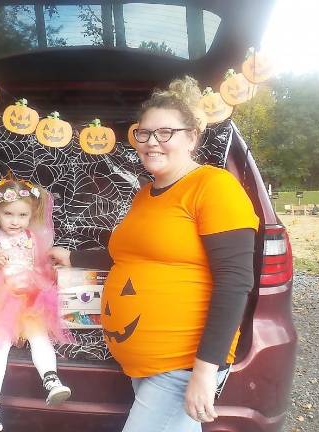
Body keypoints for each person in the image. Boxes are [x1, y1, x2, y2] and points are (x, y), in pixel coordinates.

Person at [50, 76, 259, 432]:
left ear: (192, 136)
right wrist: (73, 257)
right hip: (147, 366)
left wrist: (205, 372)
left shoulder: (214, 186)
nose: (151, 142)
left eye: (165, 133)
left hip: (182, 365)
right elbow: (128, 255)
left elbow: (235, 281)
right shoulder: (146, 194)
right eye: (143, 134)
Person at [0, 177, 71, 432]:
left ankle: (51, 379)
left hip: (31, 297)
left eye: (22, 215)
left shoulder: (31, 237)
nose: (15, 221)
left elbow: (39, 265)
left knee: (40, 337)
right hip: (1, 300)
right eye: (8, 214)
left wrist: (50, 271)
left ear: (31, 214)